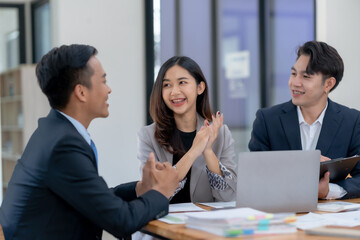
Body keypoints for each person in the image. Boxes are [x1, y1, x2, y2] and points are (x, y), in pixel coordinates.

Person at [0, 44, 179, 240]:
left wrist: (139, 189)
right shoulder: (64, 145)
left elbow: (94, 199)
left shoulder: (53, 131)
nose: (109, 89)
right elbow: (121, 220)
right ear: (81, 92)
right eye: (104, 81)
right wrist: (161, 191)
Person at [248, 40, 360, 199]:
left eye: (306, 76)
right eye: (293, 74)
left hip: (329, 219)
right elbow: (253, 175)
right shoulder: (267, 120)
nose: (294, 83)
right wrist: (302, 165)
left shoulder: (352, 121)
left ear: (328, 84)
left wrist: (329, 191)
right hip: (281, 214)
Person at [137, 56, 237, 203]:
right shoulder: (148, 136)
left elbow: (230, 197)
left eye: (182, 82)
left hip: (205, 223)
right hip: (164, 223)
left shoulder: (220, 133)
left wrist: (208, 151)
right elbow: (153, 195)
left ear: (200, 88)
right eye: (167, 85)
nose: (174, 92)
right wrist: (193, 152)